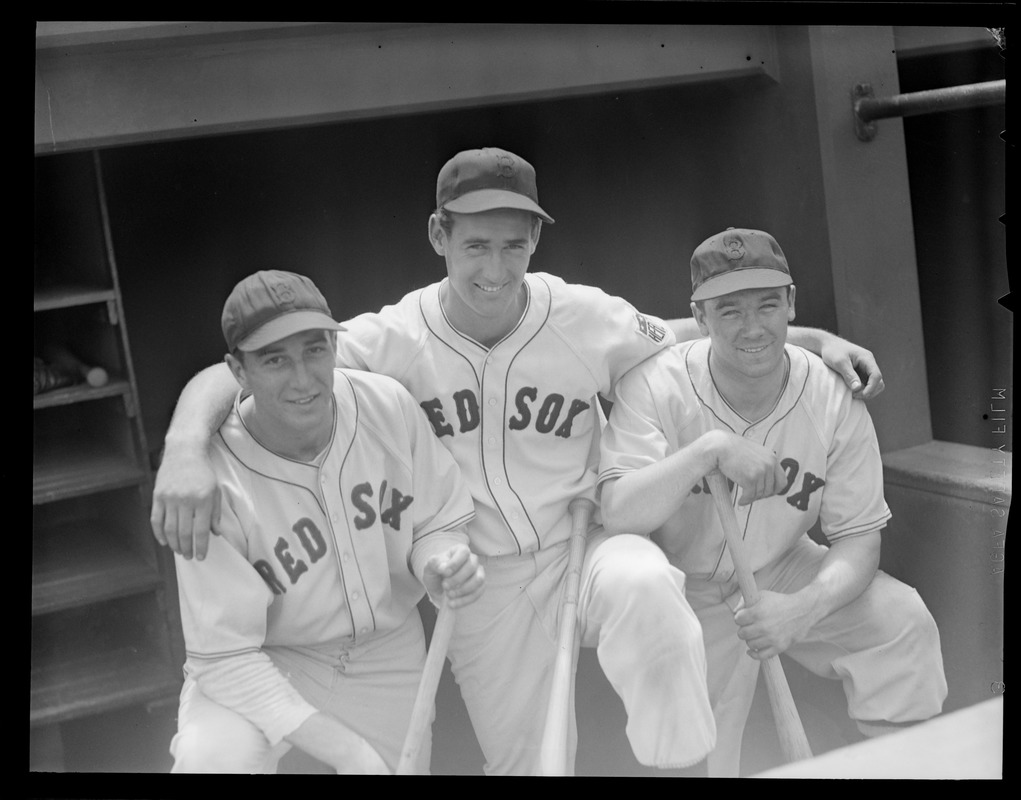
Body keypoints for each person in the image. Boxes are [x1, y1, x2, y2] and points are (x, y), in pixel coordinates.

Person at [150, 148, 885, 775]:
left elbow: (704, 328)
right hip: (482, 581)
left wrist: (810, 339)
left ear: (534, 240)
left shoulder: (584, 315)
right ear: (439, 235)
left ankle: (681, 768)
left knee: (648, 593)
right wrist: (185, 445)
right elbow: (272, 362)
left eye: (513, 243)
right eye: (475, 245)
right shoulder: (391, 338)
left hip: (586, 542)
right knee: (528, 763)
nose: (495, 266)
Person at [597, 227, 947, 777]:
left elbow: (858, 538)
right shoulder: (656, 382)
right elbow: (617, 510)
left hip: (782, 567)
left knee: (901, 622)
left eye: (767, 304)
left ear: (791, 304)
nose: (753, 326)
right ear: (700, 314)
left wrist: (802, 608)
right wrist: (708, 452)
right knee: (707, 753)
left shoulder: (832, 393)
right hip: (682, 581)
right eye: (730, 310)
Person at [169, 269, 485, 774]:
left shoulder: (386, 406)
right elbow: (223, 657)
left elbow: (437, 521)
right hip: (267, 660)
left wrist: (438, 563)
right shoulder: (212, 477)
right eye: (275, 360)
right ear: (238, 371)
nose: (302, 378)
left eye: (314, 350)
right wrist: (348, 751)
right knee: (212, 760)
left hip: (386, 651)